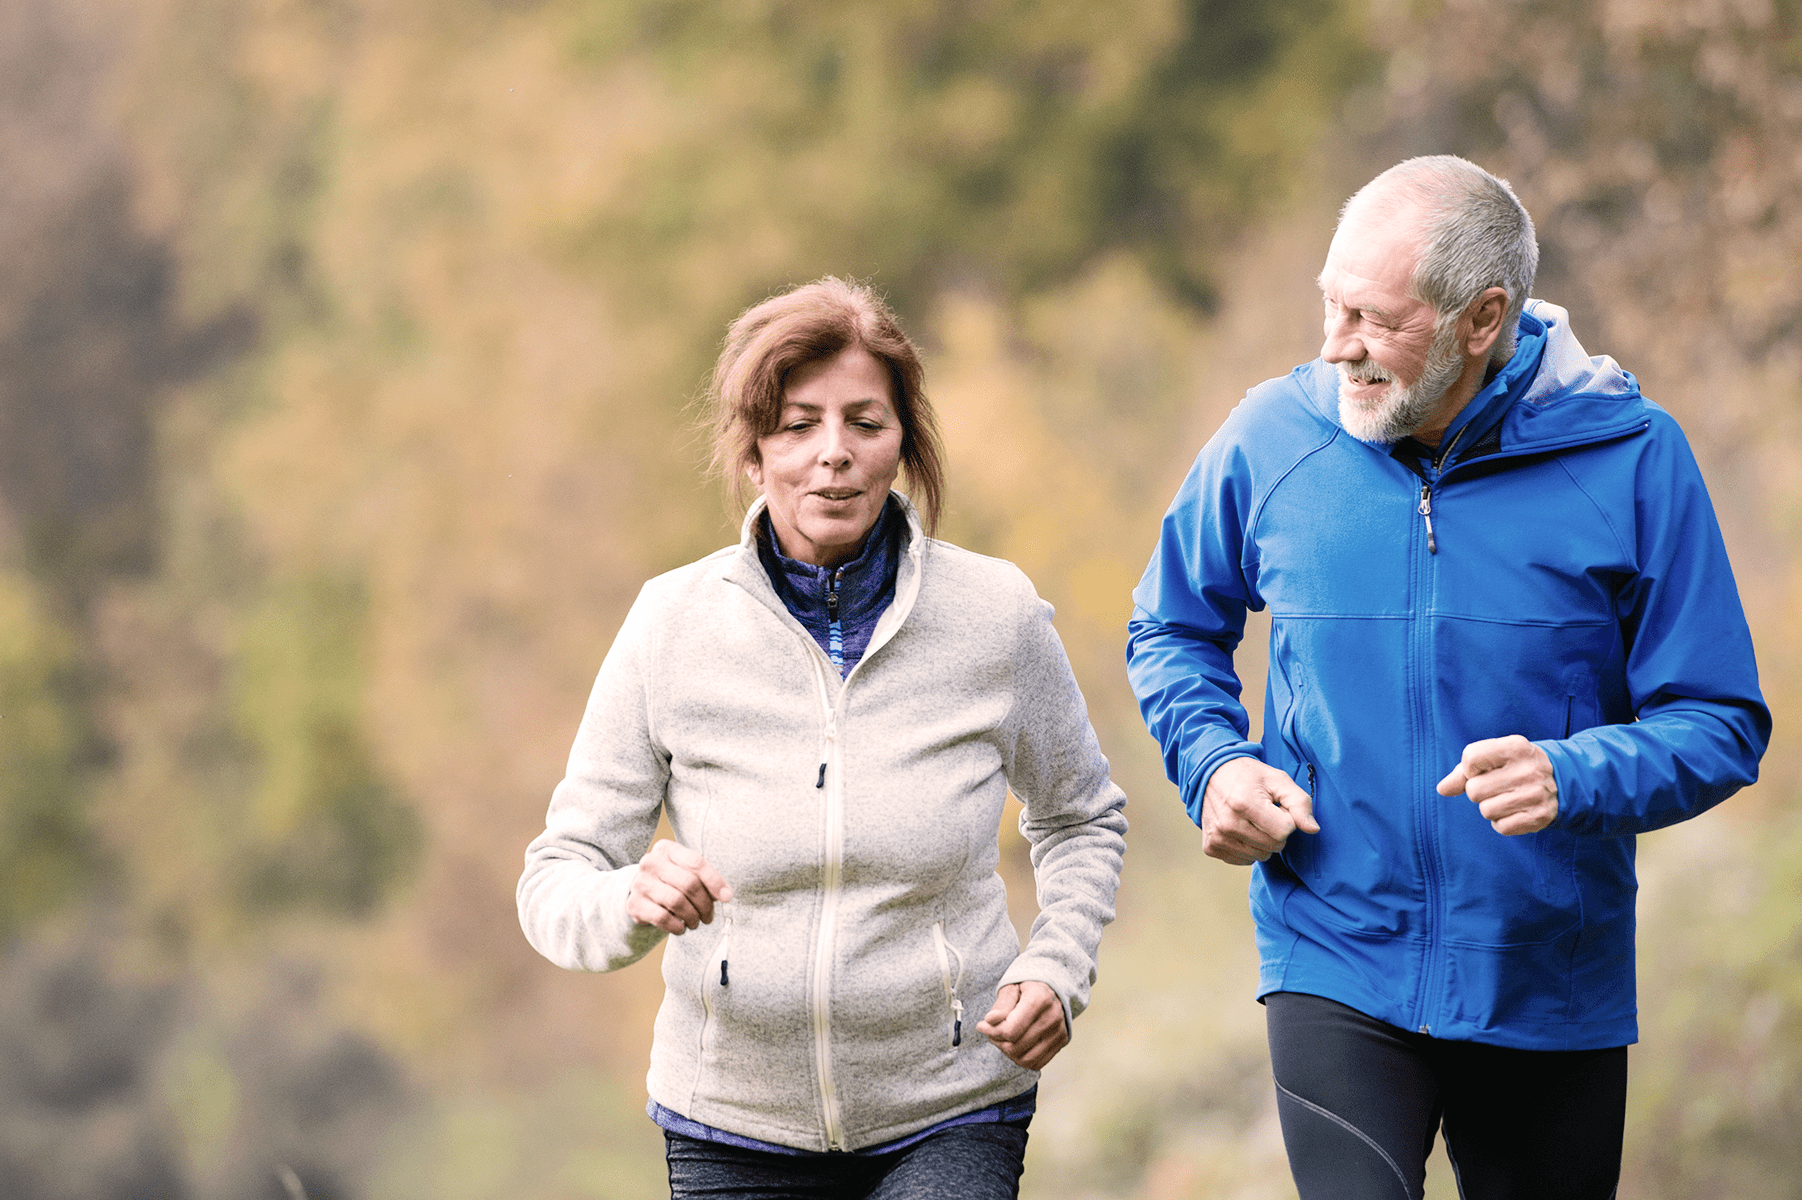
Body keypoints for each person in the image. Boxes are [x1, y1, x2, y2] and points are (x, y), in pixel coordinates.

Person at [1126, 156, 1770, 1199]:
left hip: (1545, 977)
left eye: (1374, 320)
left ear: (1483, 319)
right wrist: (1214, 767)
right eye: (1330, 308)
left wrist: (1577, 776)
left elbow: (1720, 720)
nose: (1338, 347)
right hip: (1334, 949)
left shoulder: (1634, 459)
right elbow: (1170, 628)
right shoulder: (1271, 439)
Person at [520, 277, 1127, 1200]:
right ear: (754, 452)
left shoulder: (995, 617)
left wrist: (1057, 965)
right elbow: (556, 877)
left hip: (950, 1104)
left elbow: (1082, 819)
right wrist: (631, 900)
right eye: (798, 424)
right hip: (731, 1119)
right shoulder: (670, 626)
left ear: (903, 445)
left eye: (864, 423)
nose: (833, 455)